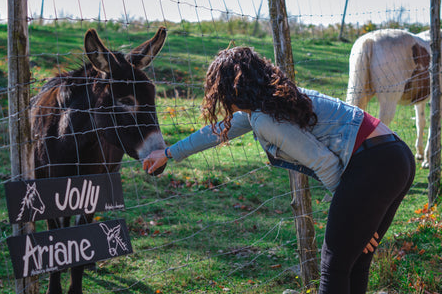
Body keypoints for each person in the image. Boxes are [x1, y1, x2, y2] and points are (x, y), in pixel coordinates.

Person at [143, 46, 415, 294]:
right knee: (354, 260)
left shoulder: (264, 118)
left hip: (375, 166)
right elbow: (216, 132)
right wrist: (168, 153)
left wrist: (352, 213)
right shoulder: (271, 102)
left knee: (335, 264)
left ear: (230, 89)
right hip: (395, 156)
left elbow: (325, 163)